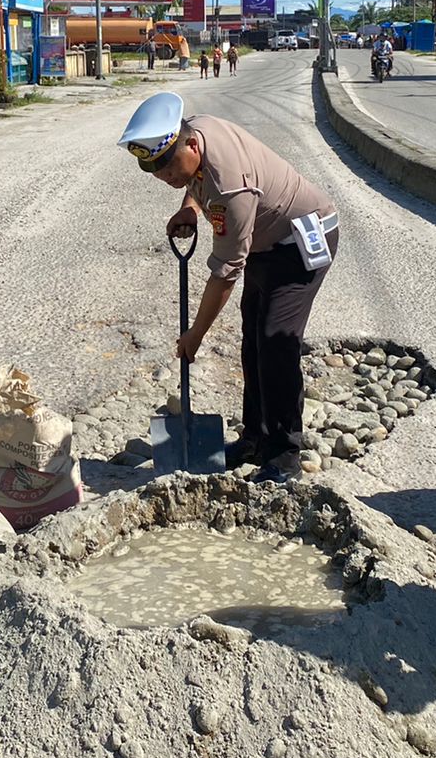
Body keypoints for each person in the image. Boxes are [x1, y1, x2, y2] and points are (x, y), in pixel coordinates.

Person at [118, 92, 339, 484]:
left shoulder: (230, 189)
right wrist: (191, 206)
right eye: (152, 168)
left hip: (303, 238)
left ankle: (285, 454)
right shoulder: (197, 131)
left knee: (275, 340)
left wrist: (195, 335)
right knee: (254, 338)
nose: (164, 175)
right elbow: (198, 178)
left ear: (189, 144)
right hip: (266, 239)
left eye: (168, 164)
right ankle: (255, 438)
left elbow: (224, 272)